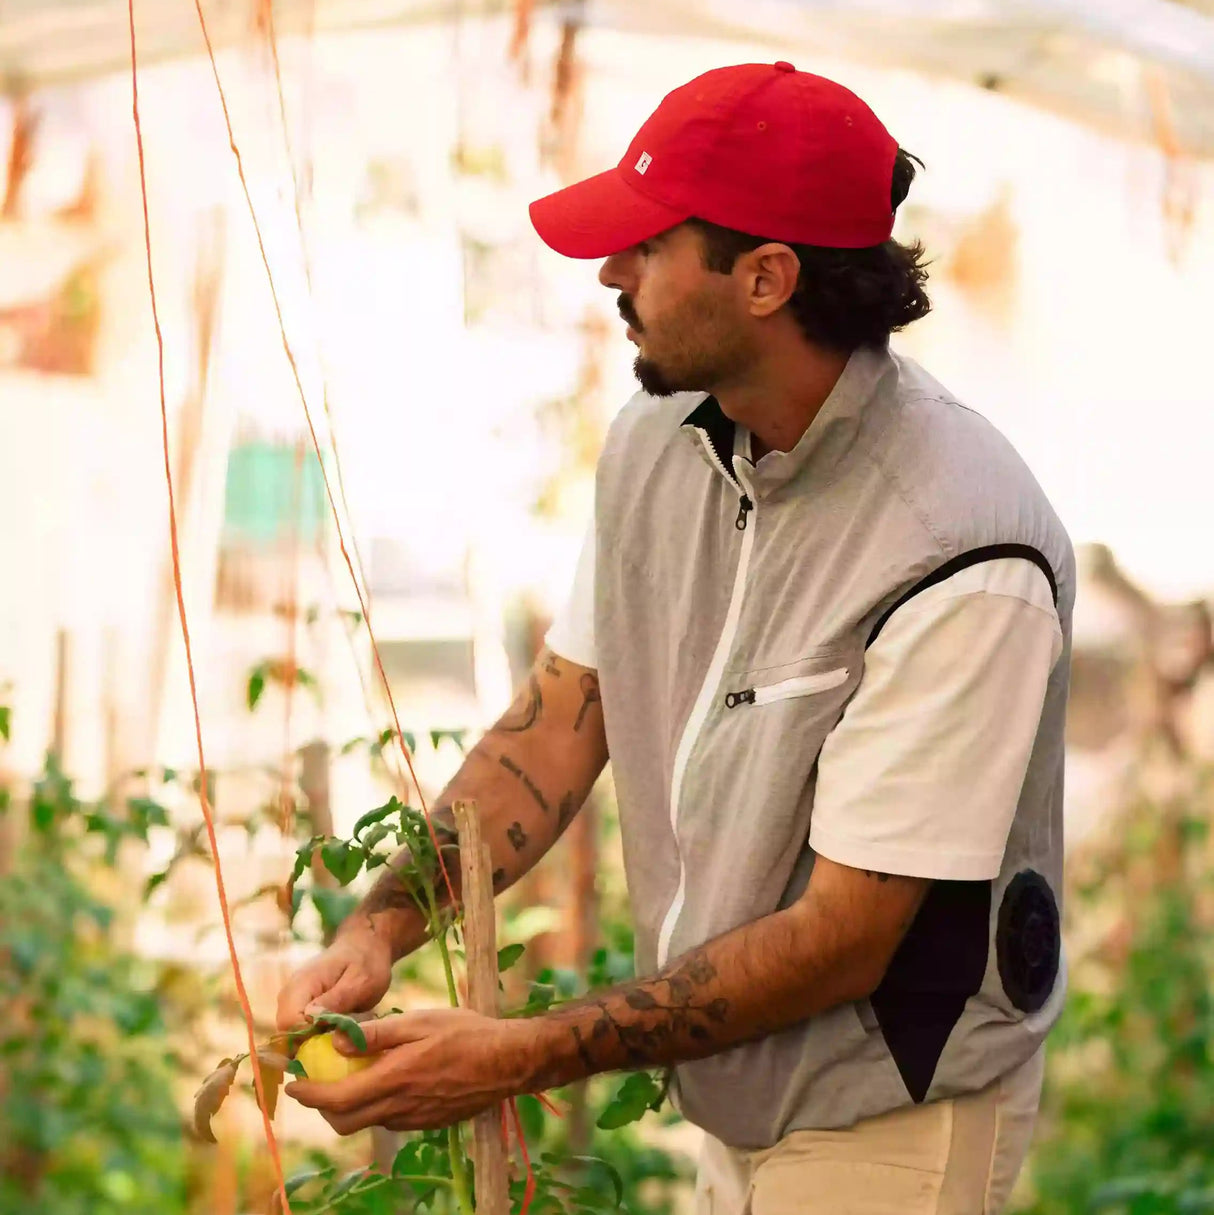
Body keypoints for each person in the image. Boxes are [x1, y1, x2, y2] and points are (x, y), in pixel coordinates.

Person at [279, 61, 1073, 1214]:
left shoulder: (960, 551)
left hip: (891, 1112)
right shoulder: (659, 442)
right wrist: (381, 923)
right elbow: (556, 727)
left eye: (647, 246)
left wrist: (519, 1052)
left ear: (765, 278)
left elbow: (846, 939)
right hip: (738, 1096)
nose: (610, 271)